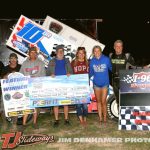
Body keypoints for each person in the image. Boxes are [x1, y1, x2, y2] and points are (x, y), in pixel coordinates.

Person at [46, 44, 73, 127]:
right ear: (56, 52)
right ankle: (56, 120)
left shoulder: (67, 61)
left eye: (62, 51)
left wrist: (69, 73)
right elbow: (47, 73)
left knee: (66, 103)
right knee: (56, 103)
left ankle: (66, 119)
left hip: (65, 84)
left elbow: (71, 72)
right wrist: (51, 74)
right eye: (59, 51)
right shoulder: (52, 61)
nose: (61, 52)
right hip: (55, 85)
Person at [20, 46, 46, 129]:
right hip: (27, 87)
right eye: (31, 52)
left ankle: (34, 123)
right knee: (27, 104)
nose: (33, 54)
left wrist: (37, 79)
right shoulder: (24, 63)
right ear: (29, 54)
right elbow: (21, 75)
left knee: (36, 105)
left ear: (37, 53)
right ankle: (24, 124)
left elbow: (44, 76)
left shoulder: (41, 63)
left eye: (35, 52)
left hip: (37, 87)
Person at [89, 45, 112, 126]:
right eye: (95, 51)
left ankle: (105, 119)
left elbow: (112, 69)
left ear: (101, 51)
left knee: (103, 102)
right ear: (93, 52)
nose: (97, 52)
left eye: (98, 50)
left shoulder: (106, 59)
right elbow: (90, 73)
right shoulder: (92, 61)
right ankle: (100, 119)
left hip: (105, 84)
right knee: (98, 102)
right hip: (96, 84)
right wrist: (84, 79)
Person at [109, 40, 135, 109]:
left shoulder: (127, 56)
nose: (118, 47)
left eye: (120, 46)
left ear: (122, 47)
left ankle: (127, 117)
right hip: (114, 81)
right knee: (118, 100)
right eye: (117, 46)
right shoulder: (111, 56)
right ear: (114, 47)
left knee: (126, 100)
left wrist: (144, 67)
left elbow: (134, 67)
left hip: (124, 80)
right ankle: (120, 117)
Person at [1, 53, 21, 131]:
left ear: (17, 59)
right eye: (11, 58)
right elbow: (2, 78)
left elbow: (25, 76)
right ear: (9, 59)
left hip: (17, 91)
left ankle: (14, 124)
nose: (13, 60)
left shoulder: (20, 67)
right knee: (3, 108)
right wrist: (5, 76)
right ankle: (4, 124)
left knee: (15, 107)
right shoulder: (5, 68)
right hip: (6, 91)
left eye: (14, 58)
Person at [71, 47, 89, 127]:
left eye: (83, 53)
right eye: (80, 53)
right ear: (77, 54)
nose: (81, 55)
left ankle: (85, 119)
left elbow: (91, 73)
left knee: (85, 105)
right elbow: (70, 74)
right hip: (76, 87)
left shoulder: (88, 62)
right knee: (78, 105)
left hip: (85, 87)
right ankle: (81, 120)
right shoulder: (73, 63)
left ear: (84, 54)